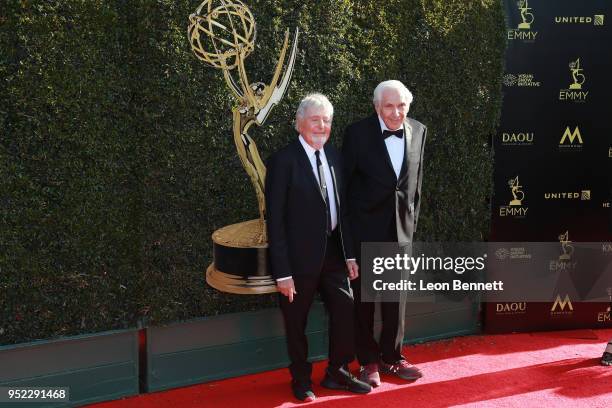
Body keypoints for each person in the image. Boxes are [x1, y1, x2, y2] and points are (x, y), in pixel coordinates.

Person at [265, 93, 372, 402]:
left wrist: (350, 254)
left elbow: (344, 211)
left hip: (335, 254)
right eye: (315, 120)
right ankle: (300, 379)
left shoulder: (336, 157)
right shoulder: (282, 161)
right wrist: (282, 272)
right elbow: (275, 222)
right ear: (300, 124)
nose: (322, 126)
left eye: (327, 120)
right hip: (297, 263)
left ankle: (338, 371)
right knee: (296, 321)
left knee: (345, 309)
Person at [342, 80, 426, 387]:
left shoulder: (418, 130)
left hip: (400, 235)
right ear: (377, 107)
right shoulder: (357, 134)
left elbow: (415, 186)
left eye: (401, 105)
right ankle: (367, 361)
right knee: (363, 300)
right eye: (389, 106)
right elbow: (344, 192)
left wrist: (410, 226)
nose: (396, 112)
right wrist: (348, 243)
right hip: (365, 232)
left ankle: (392, 357)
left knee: (396, 301)